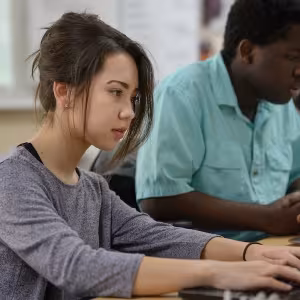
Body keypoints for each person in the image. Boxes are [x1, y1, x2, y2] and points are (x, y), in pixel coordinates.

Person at [2, 12, 300, 300]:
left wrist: (253, 253)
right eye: (115, 92)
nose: (129, 112)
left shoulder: (93, 188)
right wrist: (216, 273)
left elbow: (157, 236)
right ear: (64, 92)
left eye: (133, 98)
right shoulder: (12, 180)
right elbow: (77, 266)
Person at [136, 0, 300, 242]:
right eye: (294, 57)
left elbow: (295, 175)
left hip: (270, 247)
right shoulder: (182, 94)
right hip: (205, 259)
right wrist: (266, 218)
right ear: (247, 52)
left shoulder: (281, 102)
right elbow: (158, 200)